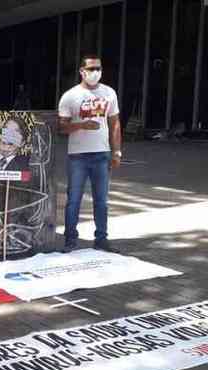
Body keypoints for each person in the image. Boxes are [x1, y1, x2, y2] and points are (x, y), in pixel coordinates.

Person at [58, 54, 122, 254]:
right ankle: (70, 240)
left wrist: (117, 151)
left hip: (101, 154)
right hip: (78, 155)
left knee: (102, 201)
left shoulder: (109, 93)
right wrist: (82, 125)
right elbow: (62, 127)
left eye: (98, 69)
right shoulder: (70, 96)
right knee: (74, 199)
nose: (96, 73)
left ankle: (101, 239)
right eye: (91, 69)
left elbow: (115, 123)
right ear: (82, 71)